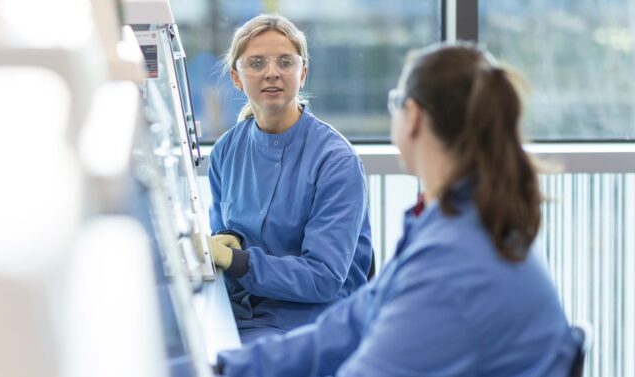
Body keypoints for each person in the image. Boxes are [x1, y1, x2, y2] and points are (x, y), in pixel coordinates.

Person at [214, 42, 579, 376]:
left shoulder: (454, 258)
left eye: (395, 103)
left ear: (414, 116)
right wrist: (221, 367)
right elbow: (350, 325)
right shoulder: (448, 222)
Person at [207, 14, 373, 343]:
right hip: (240, 313)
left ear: (303, 72)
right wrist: (227, 240)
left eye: (285, 62)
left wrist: (241, 262)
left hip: (311, 324)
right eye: (256, 63)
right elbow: (221, 239)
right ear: (236, 77)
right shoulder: (226, 150)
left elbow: (324, 277)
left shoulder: (335, 162)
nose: (272, 72)